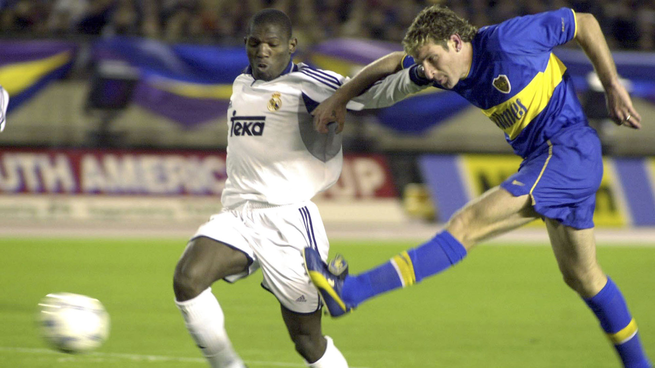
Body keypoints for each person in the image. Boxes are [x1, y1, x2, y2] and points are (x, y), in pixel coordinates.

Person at [303, 5, 652, 368]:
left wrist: (612, 84)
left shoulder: (509, 40)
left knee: (465, 225)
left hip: (566, 150)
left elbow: (585, 23)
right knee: (584, 277)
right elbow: (392, 62)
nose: (431, 73)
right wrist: (340, 98)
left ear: (456, 42)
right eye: (424, 64)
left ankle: (350, 292)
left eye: (434, 60)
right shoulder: (447, 70)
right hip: (550, 160)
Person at [172, 8, 426, 368]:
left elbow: (373, 95)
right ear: (246, 44)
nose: (263, 51)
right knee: (187, 279)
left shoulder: (311, 83)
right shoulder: (241, 83)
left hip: (289, 222)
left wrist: (415, 76)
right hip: (238, 216)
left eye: (272, 44)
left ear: (291, 46)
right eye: (255, 43)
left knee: (307, 341)